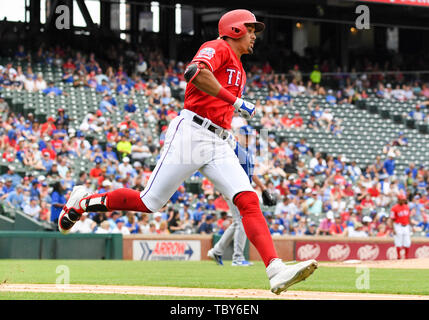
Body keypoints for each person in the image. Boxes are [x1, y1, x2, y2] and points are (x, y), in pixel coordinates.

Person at [57, 9, 317, 295]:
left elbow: (219, 107)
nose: (255, 35)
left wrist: (231, 137)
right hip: (191, 133)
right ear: (235, 29)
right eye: (251, 29)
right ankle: (82, 202)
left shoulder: (240, 69)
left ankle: (275, 270)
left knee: (248, 200)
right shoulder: (217, 46)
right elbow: (194, 73)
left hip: (218, 140)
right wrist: (237, 101)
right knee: (149, 202)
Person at [207, 125, 277, 266]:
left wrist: (263, 188)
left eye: (250, 136)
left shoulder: (245, 151)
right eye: (247, 135)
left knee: (238, 222)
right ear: (240, 135)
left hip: (242, 189)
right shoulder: (233, 148)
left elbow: (252, 172)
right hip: (234, 190)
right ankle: (238, 258)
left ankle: (216, 251)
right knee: (241, 222)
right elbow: (222, 169)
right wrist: (225, 189)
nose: (249, 138)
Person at [389, 194, 412, 259]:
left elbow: (408, 217)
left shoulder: (407, 207)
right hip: (398, 225)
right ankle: (398, 256)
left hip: (406, 225)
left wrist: (410, 225)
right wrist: (393, 229)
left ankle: (406, 256)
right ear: (398, 200)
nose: (403, 201)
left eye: (404, 200)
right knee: (398, 241)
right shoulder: (394, 208)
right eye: (402, 200)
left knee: (407, 241)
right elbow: (392, 219)